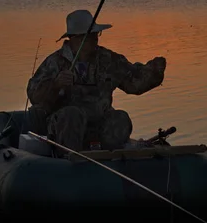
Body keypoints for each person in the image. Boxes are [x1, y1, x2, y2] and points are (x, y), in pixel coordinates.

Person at [26, 9, 166, 152]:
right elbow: (34, 96)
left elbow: (134, 83)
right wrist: (55, 85)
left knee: (120, 118)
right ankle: (68, 162)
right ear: (75, 38)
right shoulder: (55, 62)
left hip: (99, 124)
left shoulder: (108, 59)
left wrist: (154, 71)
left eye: (96, 34)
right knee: (71, 115)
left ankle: (109, 160)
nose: (96, 38)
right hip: (65, 127)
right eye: (90, 35)